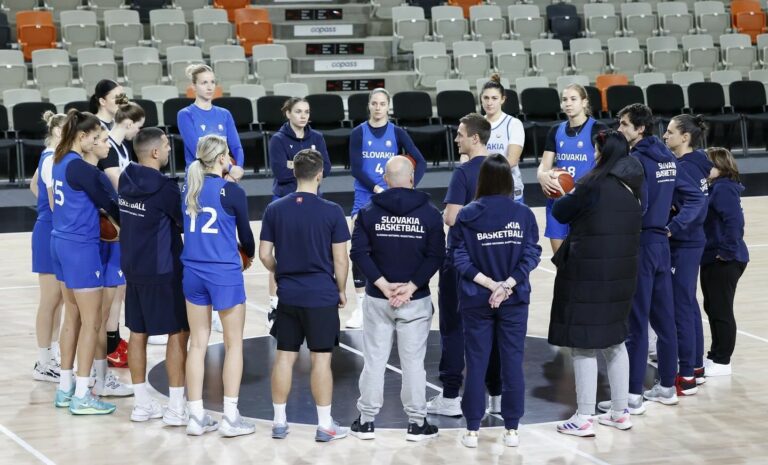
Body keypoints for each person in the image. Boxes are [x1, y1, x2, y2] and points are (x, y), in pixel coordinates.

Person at [610, 104, 704, 414]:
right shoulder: (668, 159)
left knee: (637, 323)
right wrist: (673, 226)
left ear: (639, 129)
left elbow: (639, 205)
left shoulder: (636, 161)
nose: (619, 129)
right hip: (663, 246)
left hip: (642, 245)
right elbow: (694, 196)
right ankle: (666, 387)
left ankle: (633, 395)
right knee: (665, 321)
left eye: (624, 124)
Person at [548, 131, 643, 437]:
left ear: (601, 152)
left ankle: (585, 416)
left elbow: (562, 213)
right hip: (622, 276)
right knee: (616, 341)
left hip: (588, 276)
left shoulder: (591, 184)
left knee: (583, 344)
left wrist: (561, 193)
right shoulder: (632, 188)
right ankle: (620, 412)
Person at [349, 156, 444, 442]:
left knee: (375, 360)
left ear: (386, 180)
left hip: (379, 298)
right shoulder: (429, 213)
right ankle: (417, 423)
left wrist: (382, 285)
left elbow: (358, 253)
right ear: (412, 178)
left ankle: (366, 421)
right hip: (415, 300)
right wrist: (412, 286)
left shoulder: (368, 212)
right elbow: (437, 255)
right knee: (413, 362)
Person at [259, 149, 350, 442]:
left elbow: (264, 254)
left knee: (284, 358)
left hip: (289, 295)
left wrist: (281, 270)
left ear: (294, 174)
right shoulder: (332, 211)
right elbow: (341, 260)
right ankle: (325, 426)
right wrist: (341, 290)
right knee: (320, 360)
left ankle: (279, 422)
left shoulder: (275, 209)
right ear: (320, 174)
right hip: (321, 295)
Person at [450, 154, 541, 448]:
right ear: (508, 181)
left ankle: (473, 430)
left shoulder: (466, 214)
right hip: (514, 299)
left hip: (478, 299)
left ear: (483, 180)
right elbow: (531, 254)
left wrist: (490, 285)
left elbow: (458, 256)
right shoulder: (523, 214)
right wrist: (508, 284)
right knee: (512, 363)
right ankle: (512, 429)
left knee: (476, 363)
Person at [181, 134, 255, 437]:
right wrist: (246, 255)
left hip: (193, 271)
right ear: (223, 158)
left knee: (197, 344)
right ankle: (230, 417)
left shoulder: (188, 189)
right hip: (224, 273)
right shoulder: (231, 191)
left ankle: (196, 417)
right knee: (234, 343)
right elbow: (247, 238)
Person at [118, 127, 190, 424]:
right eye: (166, 145)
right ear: (156, 152)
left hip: (133, 268)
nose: (170, 149)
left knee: (137, 333)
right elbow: (184, 223)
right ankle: (175, 407)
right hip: (164, 271)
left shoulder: (125, 177)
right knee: (178, 332)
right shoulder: (165, 188)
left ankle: (142, 404)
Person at [51, 109, 120, 415]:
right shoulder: (85, 170)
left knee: (72, 318)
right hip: (81, 248)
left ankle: (65, 389)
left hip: (60, 243)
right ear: (83, 138)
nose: (101, 141)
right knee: (93, 323)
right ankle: (83, 396)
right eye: (98, 137)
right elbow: (112, 206)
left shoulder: (57, 160)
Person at [429, 113, 495, 417]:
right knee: (491, 326)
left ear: (475, 138)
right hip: (493, 259)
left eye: (460, 134)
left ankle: (452, 395)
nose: (456, 139)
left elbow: (452, 217)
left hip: (460, 260)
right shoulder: (500, 168)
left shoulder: (464, 172)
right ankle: (495, 394)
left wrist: (451, 213)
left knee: (454, 327)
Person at [347, 87, 427, 329]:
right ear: (369, 106)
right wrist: (377, 189)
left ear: (388, 106)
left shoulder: (398, 132)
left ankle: (395, 295)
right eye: (375, 103)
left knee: (392, 243)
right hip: (366, 197)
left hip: (392, 197)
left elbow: (419, 161)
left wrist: (409, 187)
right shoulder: (359, 132)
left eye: (383, 103)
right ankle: (361, 304)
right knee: (359, 246)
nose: (378, 107)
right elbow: (356, 168)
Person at [177, 64, 244, 333]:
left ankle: (219, 302)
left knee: (223, 233)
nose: (208, 86)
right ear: (193, 86)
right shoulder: (186, 114)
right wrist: (227, 169)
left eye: (212, 82)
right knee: (202, 236)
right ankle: (205, 303)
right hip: (199, 181)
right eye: (204, 82)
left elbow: (236, 146)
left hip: (224, 178)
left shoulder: (224, 113)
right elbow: (197, 150)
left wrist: (235, 170)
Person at [266, 97, 332, 328]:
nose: (303, 116)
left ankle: (315, 297)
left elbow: (328, 168)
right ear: (288, 114)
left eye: (306, 111)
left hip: (314, 200)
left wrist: (292, 165)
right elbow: (278, 171)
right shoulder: (278, 139)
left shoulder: (317, 137)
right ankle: (274, 305)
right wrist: (308, 166)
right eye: (298, 111)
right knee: (281, 252)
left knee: (317, 249)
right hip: (284, 200)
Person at [663, 114, 713, 395]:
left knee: (681, 306)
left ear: (685, 138)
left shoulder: (684, 168)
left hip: (684, 243)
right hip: (691, 241)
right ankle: (695, 366)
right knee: (688, 303)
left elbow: (695, 206)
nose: (665, 136)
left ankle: (688, 376)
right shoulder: (697, 163)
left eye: (670, 132)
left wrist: (674, 224)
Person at [537, 84, 608, 254]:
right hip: (559, 200)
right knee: (561, 262)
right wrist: (541, 176)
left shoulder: (599, 129)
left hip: (586, 202)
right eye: (564, 100)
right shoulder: (555, 130)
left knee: (587, 260)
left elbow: (608, 166)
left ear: (584, 102)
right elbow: (544, 165)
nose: (568, 103)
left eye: (573, 99)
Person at [90, 80, 130, 366]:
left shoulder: (117, 136)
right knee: (107, 287)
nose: (122, 100)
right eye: (117, 97)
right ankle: (105, 345)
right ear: (102, 100)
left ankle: (113, 338)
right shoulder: (96, 132)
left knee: (119, 285)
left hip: (116, 215)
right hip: (105, 218)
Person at [700, 147, 749, 377]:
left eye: (706, 164)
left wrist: (726, 252)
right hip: (713, 257)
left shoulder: (724, 189)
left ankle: (722, 360)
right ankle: (715, 354)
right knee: (712, 306)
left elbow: (734, 223)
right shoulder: (716, 188)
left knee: (721, 308)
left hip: (726, 259)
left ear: (719, 166)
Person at [29, 111, 67, 383]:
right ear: (56, 132)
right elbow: (55, 204)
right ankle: (43, 362)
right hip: (50, 230)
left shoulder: (51, 156)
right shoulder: (51, 158)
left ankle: (50, 356)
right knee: (50, 299)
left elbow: (34, 185)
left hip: (52, 227)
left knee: (59, 300)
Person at [480, 74, 525, 202]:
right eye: (486, 98)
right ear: (481, 99)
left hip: (509, 189)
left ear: (502, 99)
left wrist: (485, 171)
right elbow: (467, 155)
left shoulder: (513, 124)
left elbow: (512, 160)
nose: (489, 103)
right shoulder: (477, 123)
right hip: (484, 189)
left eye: (494, 98)